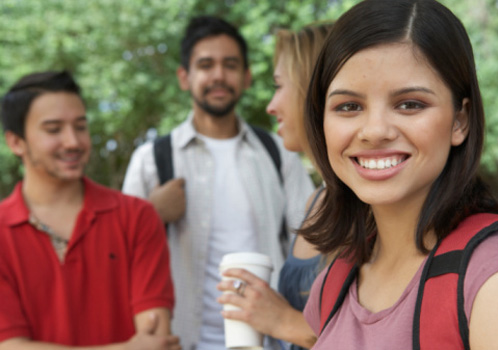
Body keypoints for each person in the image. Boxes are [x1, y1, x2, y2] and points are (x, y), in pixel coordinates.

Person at [298, 0, 498, 349]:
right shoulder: (332, 283)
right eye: (349, 106)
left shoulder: (486, 278)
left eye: (410, 104)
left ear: (460, 121)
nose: (374, 131)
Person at [122, 16, 314, 350]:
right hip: (181, 340)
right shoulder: (152, 159)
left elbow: (313, 243)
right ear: (185, 77)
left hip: (270, 341)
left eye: (230, 65)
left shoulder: (278, 153)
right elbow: (116, 254)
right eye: (205, 65)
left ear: (247, 76)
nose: (218, 76)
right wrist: (151, 213)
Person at [0, 71, 179, 350]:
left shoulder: (136, 217)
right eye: (53, 129)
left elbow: (156, 342)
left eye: (80, 126)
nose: (73, 142)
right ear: (15, 142)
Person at [217, 24, 332, 350]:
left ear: (314, 90)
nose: (270, 106)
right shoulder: (317, 201)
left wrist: (281, 320)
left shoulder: (368, 205)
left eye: (279, 87)